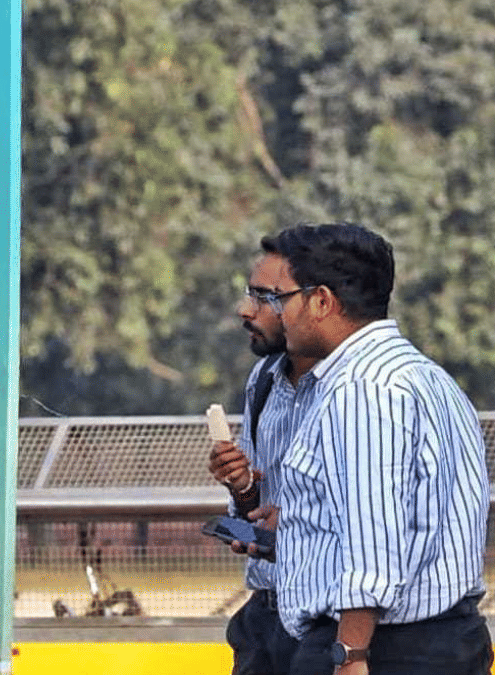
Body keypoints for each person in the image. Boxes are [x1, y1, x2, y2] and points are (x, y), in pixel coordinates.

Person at [261, 223, 492, 675]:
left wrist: (350, 654)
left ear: (321, 301)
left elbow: (374, 538)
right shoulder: (426, 375)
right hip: (444, 637)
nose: (276, 314)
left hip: (382, 647)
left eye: (281, 299)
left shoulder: (361, 388)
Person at [206, 251, 321, 675]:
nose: (245, 310)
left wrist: (297, 526)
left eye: (265, 297)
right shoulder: (264, 379)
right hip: (266, 615)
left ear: (319, 302)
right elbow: (252, 507)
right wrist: (241, 486)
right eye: (247, 294)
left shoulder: (357, 390)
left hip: (322, 617)